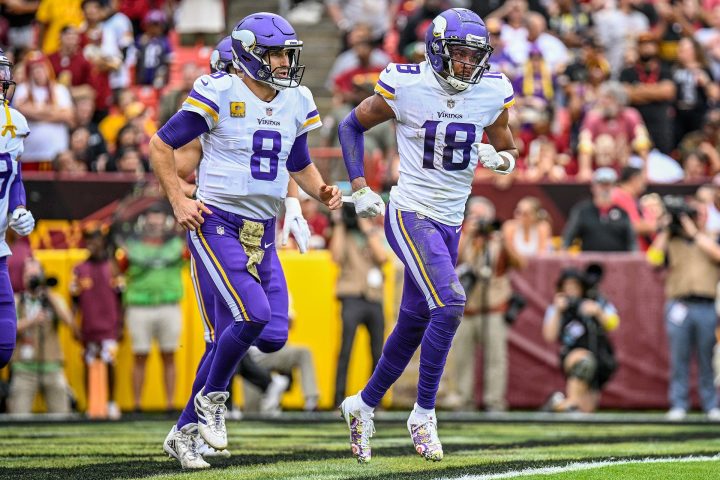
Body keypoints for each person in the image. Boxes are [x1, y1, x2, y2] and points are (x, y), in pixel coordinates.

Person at [149, 13, 341, 469]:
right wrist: (178, 201)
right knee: (250, 316)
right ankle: (213, 397)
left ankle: (183, 432)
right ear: (251, 56)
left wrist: (319, 191)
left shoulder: (296, 99)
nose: (284, 63)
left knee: (271, 335)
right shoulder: (219, 91)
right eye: (276, 54)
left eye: (286, 54)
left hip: (263, 232)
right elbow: (161, 145)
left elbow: (298, 159)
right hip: (218, 223)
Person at [337, 8, 518, 463]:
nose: (466, 65)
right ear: (437, 52)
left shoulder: (491, 90)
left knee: (416, 321)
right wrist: (359, 186)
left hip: (451, 220)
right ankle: (423, 413)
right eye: (457, 55)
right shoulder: (407, 83)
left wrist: (503, 160)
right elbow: (350, 125)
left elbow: (507, 143)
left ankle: (362, 404)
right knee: (452, 302)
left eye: (473, 56)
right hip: (411, 212)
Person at [647, 196, 720, 421]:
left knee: (706, 358)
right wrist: (666, 230)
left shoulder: (711, 238)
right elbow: (652, 260)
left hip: (706, 304)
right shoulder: (671, 240)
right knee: (679, 357)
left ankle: (710, 405)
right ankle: (679, 403)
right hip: (679, 303)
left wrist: (693, 233)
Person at [451, 197, 521, 412]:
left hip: (494, 307)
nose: (480, 222)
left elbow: (520, 263)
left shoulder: (499, 240)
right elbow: (452, 259)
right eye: (475, 217)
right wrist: (468, 233)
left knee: (496, 358)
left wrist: (502, 240)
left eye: (483, 218)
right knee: (462, 358)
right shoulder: (463, 238)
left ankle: (494, 402)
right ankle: (464, 401)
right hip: (466, 308)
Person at [119, 204, 184, 413]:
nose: (155, 225)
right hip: (139, 306)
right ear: (143, 223)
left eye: (158, 220)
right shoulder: (130, 247)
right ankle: (137, 404)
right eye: (151, 220)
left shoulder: (177, 245)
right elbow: (118, 269)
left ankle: (170, 404)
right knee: (140, 355)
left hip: (169, 305)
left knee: (169, 355)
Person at [330, 203, 387, 407]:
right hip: (351, 295)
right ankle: (338, 399)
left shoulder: (375, 232)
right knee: (346, 350)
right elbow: (335, 256)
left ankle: (374, 401)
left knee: (378, 352)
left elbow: (382, 256)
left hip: (373, 298)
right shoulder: (344, 234)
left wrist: (367, 227)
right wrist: (339, 223)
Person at [0, 49, 36, 369]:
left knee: (3, 344)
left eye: (2, 71)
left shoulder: (13, 121)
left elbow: (14, 176)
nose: (2, 78)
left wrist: (19, 207)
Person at [541, 266, 619, 413]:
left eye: (574, 286)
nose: (571, 291)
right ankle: (569, 403)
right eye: (567, 286)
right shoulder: (557, 308)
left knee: (584, 412)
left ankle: (556, 404)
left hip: (599, 357)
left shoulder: (595, 302)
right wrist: (558, 311)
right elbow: (549, 336)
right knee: (584, 362)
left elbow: (613, 324)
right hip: (573, 355)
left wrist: (598, 312)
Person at [8, 258, 74, 414]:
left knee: (61, 415)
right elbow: (8, 329)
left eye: (35, 276)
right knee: (18, 417)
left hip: (52, 368)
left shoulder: (54, 300)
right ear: (23, 278)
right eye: (28, 276)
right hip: (23, 369)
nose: (32, 280)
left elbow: (69, 321)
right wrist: (32, 321)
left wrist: (48, 294)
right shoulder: (17, 301)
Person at [70, 226, 123, 419]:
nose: (91, 244)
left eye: (95, 240)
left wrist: (121, 325)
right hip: (88, 326)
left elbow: (121, 299)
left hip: (109, 326)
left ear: (102, 242)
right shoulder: (79, 269)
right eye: (88, 240)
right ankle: (90, 404)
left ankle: (111, 402)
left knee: (110, 362)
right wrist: (74, 324)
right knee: (88, 362)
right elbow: (73, 301)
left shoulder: (113, 267)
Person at [562, 168, 637, 252]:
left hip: (617, 262)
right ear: (593, 187)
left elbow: (632, 242)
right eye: (601, 185)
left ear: (614, 187)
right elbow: (568, 238)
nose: (605, 188)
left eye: (608, 185)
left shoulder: (622, 213)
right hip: (589, 262)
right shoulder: (582, 211)